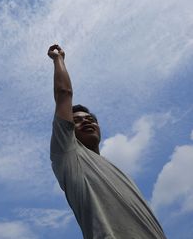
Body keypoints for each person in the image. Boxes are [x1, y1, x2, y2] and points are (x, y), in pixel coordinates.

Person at [48, 44, 166, 239]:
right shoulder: (69, 154)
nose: (86, 121)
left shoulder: (120, 173)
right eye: (76, 120)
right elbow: (64, 94)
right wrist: (58, 59)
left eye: (91, 119)